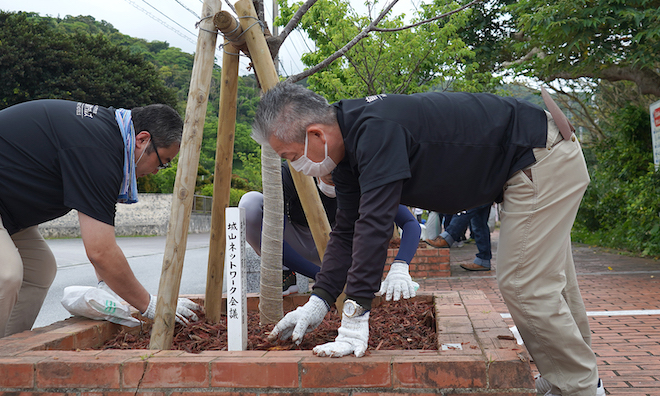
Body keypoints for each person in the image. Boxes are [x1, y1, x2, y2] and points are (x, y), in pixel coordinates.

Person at [252, 83, 603, 396]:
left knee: (526, 282)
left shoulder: (375, 130)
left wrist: (355, 319)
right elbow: (348, 231)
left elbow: (375, 227)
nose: (296, 167)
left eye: (292, 157)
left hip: (540, 156)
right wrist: (319, 301)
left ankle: (579, 386)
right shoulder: (348, 153)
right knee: (549, 281)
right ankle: (570, 377)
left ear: (316, 135)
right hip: (534, 156)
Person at [0, 99, 201, 350]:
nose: (157, 171)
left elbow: (98, 233)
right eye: (162, 162)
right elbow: (101, 252)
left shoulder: (106, 137)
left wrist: (106, 288)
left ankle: (2, 356)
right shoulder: (99, 149)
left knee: (38, 268)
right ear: (143, 139)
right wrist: (150, 305)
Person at [238, 161, 421, 299]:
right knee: (250, 204)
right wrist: (324, 278)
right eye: (327, 176)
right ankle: (287, 272)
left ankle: (361, 274)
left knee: (381, 217)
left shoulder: (361, 176)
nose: (333, 181)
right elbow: (276, 240)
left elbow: (410, 224)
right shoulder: (293, 171)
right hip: (296, 242)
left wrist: (400, 265)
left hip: (339, 247)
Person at [426, 204, 493, 271]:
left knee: (466, 208)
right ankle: (483, 260)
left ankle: (448, 236)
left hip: (480, 194)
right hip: (485, 195)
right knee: (479, 223)